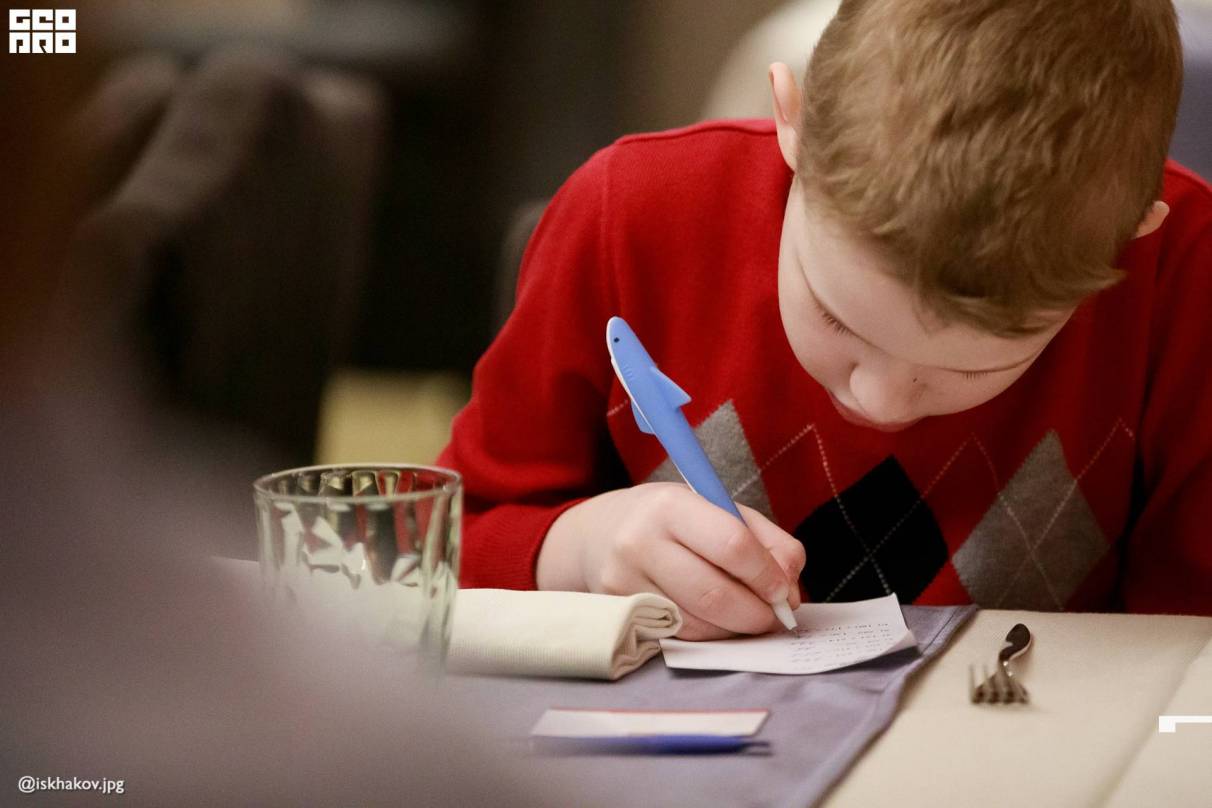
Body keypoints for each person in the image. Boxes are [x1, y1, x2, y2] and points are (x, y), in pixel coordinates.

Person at [439, 0, 1212, 639]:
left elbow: (1190, 654)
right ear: (793, 123)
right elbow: (436, 549)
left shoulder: (1183, 275)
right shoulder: (631, 218)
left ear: (1134, 235)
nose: (881, 403)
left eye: (973, 366)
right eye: (839, 322)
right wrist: (576, 550)